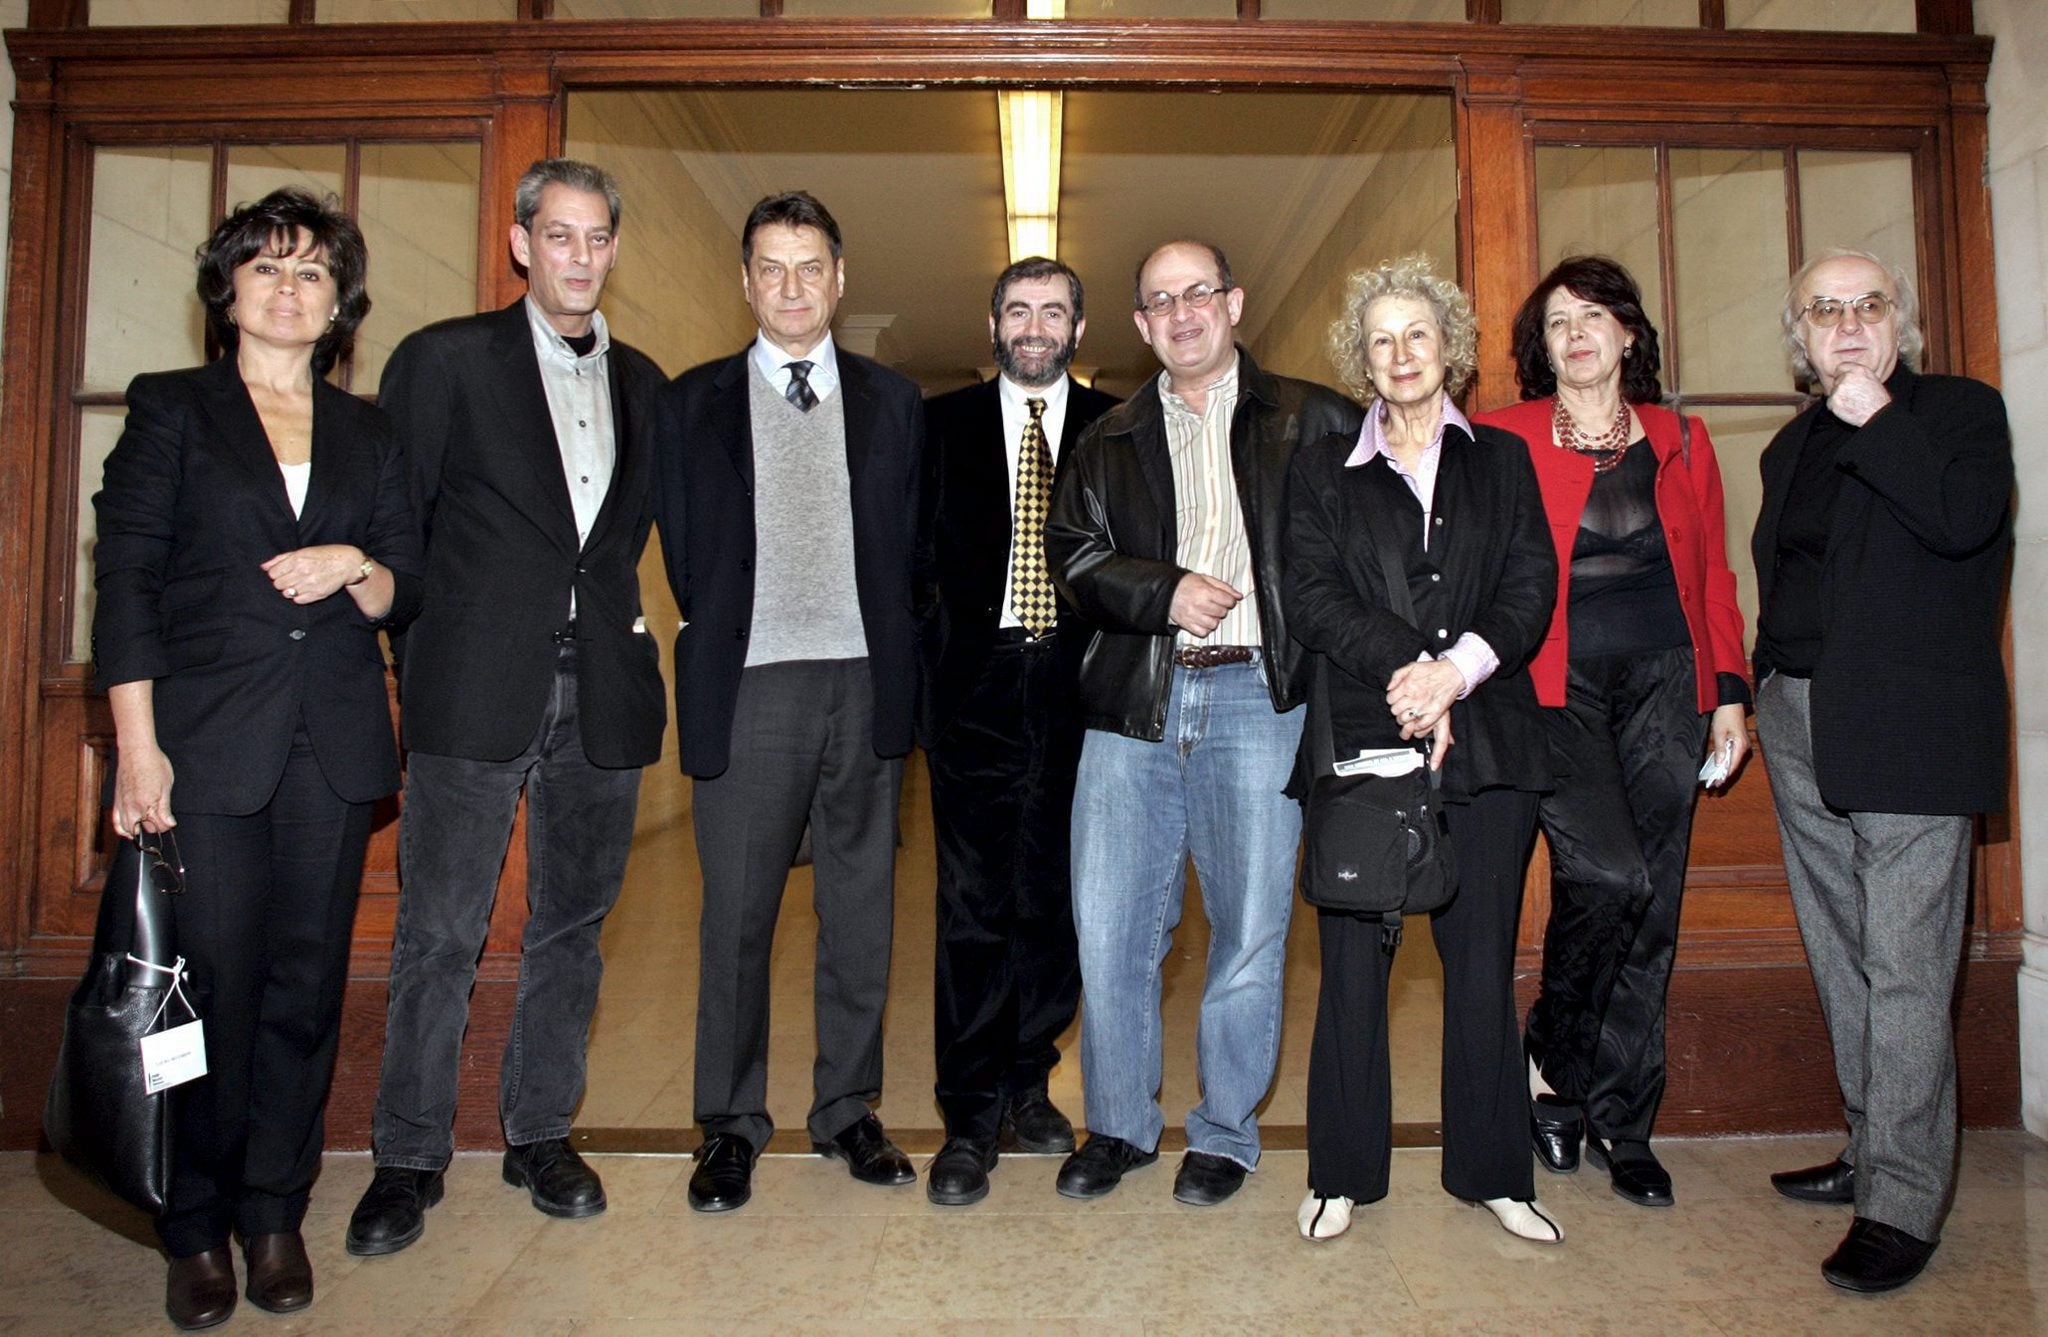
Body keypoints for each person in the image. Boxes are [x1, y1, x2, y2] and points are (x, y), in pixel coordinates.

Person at [93, 188, 422, 1329]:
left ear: (340, 306)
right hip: (206, 747)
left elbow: (401, 585)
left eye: (314, 274)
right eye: (269, 269)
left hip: (328, 747)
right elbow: (125, 582)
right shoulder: (173, 409)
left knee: (302, 988)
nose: (291, 289)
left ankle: (275, 1209)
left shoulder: (369, 430)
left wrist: (349, 562)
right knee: (209, 991)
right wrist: (136, 750)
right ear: (228, 289)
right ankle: (194, 1223)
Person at [346, 159, 668, 1256]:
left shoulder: (646, 383)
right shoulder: (444, 362)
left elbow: (629, 542)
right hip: (472, 689)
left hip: (605, 699)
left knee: (570, 930)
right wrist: (419, 657)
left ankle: (539, 1131)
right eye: (559, 235)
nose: (579, 256)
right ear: (523, 243)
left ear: (612, 250)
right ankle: (407, 1155)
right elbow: (401, 530)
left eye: (597, 238)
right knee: (438, 933)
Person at [1043, 240, 1361, 1206]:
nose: (1181, 314)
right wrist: (1162, 590)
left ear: (1233, 302)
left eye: (1197, 294)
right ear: (1140, 326)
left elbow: (1363, 555)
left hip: (1261, 702)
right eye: (1158, 302)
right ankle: (1121, 1126)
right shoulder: (1105, 440)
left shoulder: (1317, 419)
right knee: (1110, 929)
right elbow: (1073, 558)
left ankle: (1224, 1129)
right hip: (1132, 706)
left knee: (1253, 927)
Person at [656, 191, 925, 1213]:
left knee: (858, 910)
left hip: (863, 681)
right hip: (752, 682)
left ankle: (846, 1109)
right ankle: (728, 1125)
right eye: (769, 267)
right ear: (744, 282)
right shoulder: (690, 401)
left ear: (840, 277)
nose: (791, 287)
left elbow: (909, 547)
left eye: (809, 266)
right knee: (737, 915)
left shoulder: (891, 401)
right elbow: (685, 549)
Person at [1284, 255, 1559, 1245]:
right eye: (1380, 339)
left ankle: (1494, 1171)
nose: (1399, 354)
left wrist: (1456, 673)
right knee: (1352, 960)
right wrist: (1411, 668)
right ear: (1360, 359)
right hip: (1362, 737)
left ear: (1448, 347)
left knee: (1479, 961)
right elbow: (1311, 596)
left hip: (1486, 743)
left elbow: (1527, 584)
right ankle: (1338, 1171)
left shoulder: (1501, 461)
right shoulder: (1320, 468)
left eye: (1416, 334)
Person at [1751, 248, 2012, 1293]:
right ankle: (1869, 1146)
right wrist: (1760, 685)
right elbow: (1788, 578)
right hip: (1800, 715)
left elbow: (1960, 523)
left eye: (1868, 306)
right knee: (1842, 951)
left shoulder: (1953, 412)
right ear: (1799, 336)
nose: (1846, 324)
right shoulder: (1786, 445)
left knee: (1904, 964)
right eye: (1824, 310)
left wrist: (1878, 419)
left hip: (1908, 724)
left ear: (1898, 321)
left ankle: (1901, 1200)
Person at [1474, 256, 1750, 1208]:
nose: (1577, 333)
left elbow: (1711, 570)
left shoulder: (1681, 436)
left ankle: (1625, 1122)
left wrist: (1728, 690)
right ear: (1540, 349)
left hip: (1668, 682)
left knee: (1655, 903)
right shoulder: (1502, 435)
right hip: (1556, 687)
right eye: (1556, 322)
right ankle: (1552, 1058)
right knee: (1609, 873)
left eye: (1593, 315)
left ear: (1628, 334)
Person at [915, 257, 1119, 1206]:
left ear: (1079, 328)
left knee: (1057, 897)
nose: (1034, 325)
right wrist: (928, 686)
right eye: (1018, 309)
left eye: (1053, 311)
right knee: (973, 902)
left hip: (1082, 690)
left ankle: (1030, 1078)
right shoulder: (939, 425)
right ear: (990, 321)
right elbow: (910, 564)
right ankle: (968, 1113)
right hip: (976, 690)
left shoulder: (1118, 426)